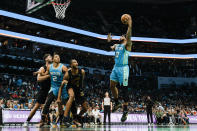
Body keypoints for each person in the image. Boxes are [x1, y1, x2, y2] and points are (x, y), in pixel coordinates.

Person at [107, 14, 132, 122]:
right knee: (112, 86)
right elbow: (111, 47)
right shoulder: (117, 46)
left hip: (123, 69)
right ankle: (117, 102)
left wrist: (129, 26)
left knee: (124, 89)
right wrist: (109, 41)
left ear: (125, 38)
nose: (121, 36)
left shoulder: (128, 45)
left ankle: (125, 111)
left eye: (123, 35)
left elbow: (129, 36)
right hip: (116, 67)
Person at [38, 53, 68, 127]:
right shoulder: (49, 67)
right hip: (54, 87)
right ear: (53, 59)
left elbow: (68, 75)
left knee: (60, 105)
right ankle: (42, 120)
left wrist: (65, 80)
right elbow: (47, 74)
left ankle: (61, 122)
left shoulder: (63, 67)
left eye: (59, 57)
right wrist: (40, 73)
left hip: (62, 87)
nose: (58, 58)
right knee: (47, 102)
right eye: (56, 57)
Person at [23, 54, 52, 127]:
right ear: (45, 59)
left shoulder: (53, 68)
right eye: (49, 57)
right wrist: (48, 76)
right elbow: (38, 79)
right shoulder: (42, 68)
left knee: (47, 106)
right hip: (44, 90)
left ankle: (47, 122)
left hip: (51, 89)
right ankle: (27, 121)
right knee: (37, 106)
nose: (51, 58)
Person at [58, 59, 88, 126]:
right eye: (74, 62)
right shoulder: (67, 74)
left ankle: (77, 117)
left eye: (77, 62)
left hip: (79, 89)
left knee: (85, 108)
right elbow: (62, 85)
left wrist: (81, 90)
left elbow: (82, 82)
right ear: (71, 65)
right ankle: (65, 118)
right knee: (71, 96)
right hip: (70, 87)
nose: (76, 63)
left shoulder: (82, 71)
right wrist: (59, 97)